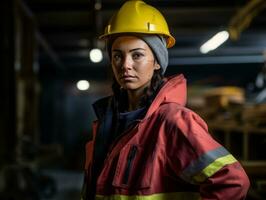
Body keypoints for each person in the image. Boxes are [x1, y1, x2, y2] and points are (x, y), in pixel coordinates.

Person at [81, 0, 250, 199]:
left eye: (137, 55)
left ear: (157, 63)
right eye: (117, 56)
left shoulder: (173, 121)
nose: (125, 65)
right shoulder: (108, 121)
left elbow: (232, 182)